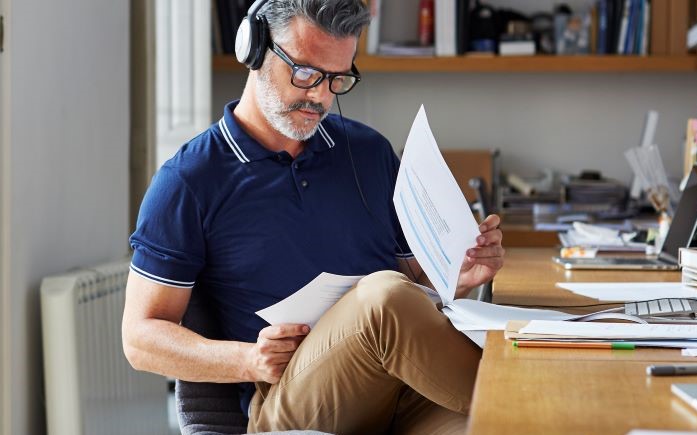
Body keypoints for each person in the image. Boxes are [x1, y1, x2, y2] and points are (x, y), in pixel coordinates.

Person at [121, 0, 505, 433]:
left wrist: (457, 269)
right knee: (383, 298)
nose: (320, 96)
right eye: (305, 73)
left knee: (492, 425)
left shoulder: (369, 153)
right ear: (255, 49)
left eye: (338, 78)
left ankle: (535, 401)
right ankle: (523, 395)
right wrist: (247, 360)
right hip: (293, 401)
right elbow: (140, 339)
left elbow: (412, 280)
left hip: (401, 391)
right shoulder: (189, 180)